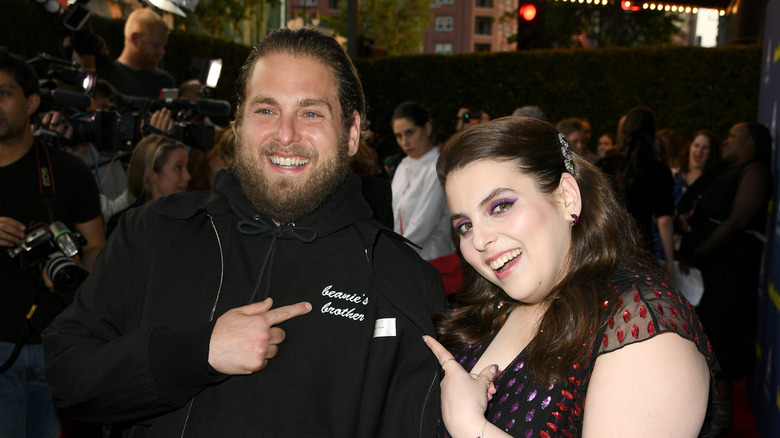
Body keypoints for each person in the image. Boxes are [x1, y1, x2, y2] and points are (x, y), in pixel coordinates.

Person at [42, 28, 445, 437]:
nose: (285, 135)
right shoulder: (154, 229)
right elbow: (68, 376)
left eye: (311, 113)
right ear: (238, 121)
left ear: (352, 132)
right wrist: (195, 355)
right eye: (266, 110)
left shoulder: (402, 282)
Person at [423, 116, 716, 438]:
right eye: (465, 226)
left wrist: (471, 428)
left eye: (500, 206)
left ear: (567, 197)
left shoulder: (642, 326)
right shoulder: (492, 308)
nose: (479, 240)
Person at [0, 48, 104, 438]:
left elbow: (96, 247)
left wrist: (73, 270)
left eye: (4, 93)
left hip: (57, 346)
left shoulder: (67, 172)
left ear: (31, 102)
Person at [676, 122, 772, 437]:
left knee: (723, 342)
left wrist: (699, 251)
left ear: (752, 144)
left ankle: (718, 421)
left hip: (730, 273)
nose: (727, 142)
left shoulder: (755, 171)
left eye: (734, 137)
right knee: (705, 338)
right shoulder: (724, 171)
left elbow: (737, 220)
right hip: (710, 274)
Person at [596, 107, 675, 277]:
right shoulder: (659, 170)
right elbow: (665, 219)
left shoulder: (605, 164)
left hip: (607, 244)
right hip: (642, 248)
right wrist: (669, 260)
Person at [391, 101, 460, 294]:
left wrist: (390, 255)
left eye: (410, 132)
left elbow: (423, 226)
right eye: (398, 135)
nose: (404, 141)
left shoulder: (438, 166)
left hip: (435, 265)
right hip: (407, 266)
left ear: (427, 128)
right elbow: (393, 217)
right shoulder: (403, 166)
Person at [105, 134, 191, 236]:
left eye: (187, 167)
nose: (188, 176)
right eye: (178, 168)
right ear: (152, 175)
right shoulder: (124, 225)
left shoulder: (193, 219)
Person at [97, 8, 175, 100]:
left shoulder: (165, 82)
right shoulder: (106, 77)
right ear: (135, 39)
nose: (162, 51)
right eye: (156, 45)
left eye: (164, 46)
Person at [672, 129, 720, 203]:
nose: (699, 150)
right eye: (696, 145)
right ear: (690, 147)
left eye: (705, 148)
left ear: (711, 153)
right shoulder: (673, 176)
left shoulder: (714, 183)